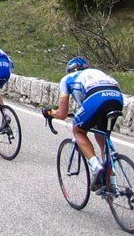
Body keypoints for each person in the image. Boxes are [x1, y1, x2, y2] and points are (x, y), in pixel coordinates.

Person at [44, 57, 124, 190]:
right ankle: (111, 183)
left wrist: (49, 112)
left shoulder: (67, 79)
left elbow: (62, 114)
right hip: (116, 97)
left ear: (69, 70)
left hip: (96, 97)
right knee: (102, 136)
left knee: (78, 130)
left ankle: (95, 166)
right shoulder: (96, 72)